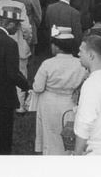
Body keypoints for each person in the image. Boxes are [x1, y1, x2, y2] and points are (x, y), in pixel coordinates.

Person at [0, 5, 31, 155]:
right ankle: (3, 155)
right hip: (5, 95)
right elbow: (12, 73)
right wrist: (26, 85)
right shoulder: (10, 44)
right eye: (17, 25)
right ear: (9, 23)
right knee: (5, 131)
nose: (17, 29)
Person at [32, 26, 88, 155]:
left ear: (57, 46)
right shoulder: (80, 63)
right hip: (70, 103)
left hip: (49, 103)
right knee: (67, 132)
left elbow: (38, 87)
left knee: (50, 132)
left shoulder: (48, 64)